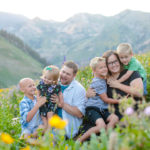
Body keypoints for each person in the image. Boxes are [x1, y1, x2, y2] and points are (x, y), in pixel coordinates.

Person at [77, 57, 119, 142]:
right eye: (101, 67)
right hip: (93, 109)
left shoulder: (102, 79)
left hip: (102, 108)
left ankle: (104, 138)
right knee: (101, 126)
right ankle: (80, 140)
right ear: (94, 70)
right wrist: (119, 101)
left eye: (105, 66)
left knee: (114, 118)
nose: (104, 69)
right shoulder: (97, 82)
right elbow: (105, 99)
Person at [103, 50, 144, 119]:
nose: (113, 65)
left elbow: (139, 92)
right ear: (106, 65)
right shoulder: (104, 80)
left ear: (119, 61)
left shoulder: (131, 73)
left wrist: (118, 85)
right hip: (115, 117)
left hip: (134, 115)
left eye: (115, 61)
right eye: (109, 63)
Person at [51, 61, 86, 139]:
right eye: (63, 72)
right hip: (50, 124)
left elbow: (80, 113)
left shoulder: (79, 89)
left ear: (74, 76)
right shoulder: (54, 84)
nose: (64, 75)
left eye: (68, 74)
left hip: (65, 129)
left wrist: (61, 104)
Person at [37, 65, 61, 129]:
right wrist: (38, 99)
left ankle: (49, 130)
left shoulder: (56, 86)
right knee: (43, 116)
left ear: (54, 80)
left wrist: (60, 101)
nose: (46, 80)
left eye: (49, 79)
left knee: (50, 115)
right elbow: (38, 91)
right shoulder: (41, 83)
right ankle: (46, 127)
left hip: (51, 104)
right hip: (43, 103)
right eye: (45, 77)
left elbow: (60, 94)